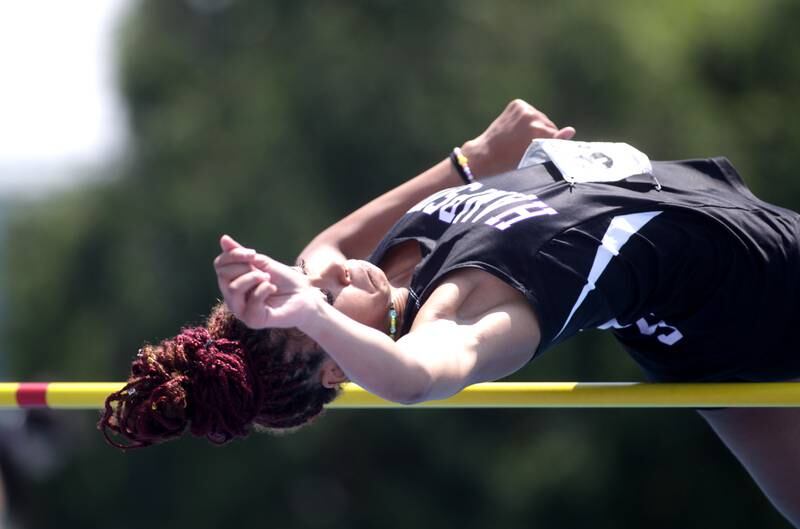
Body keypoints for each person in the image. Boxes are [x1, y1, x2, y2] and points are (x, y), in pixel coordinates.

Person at [100, 100, 800, 526]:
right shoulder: (463, 311)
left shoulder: (376, 262)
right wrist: (312, 310)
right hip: (765, 301)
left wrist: (472, 157)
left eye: (312, 284)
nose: (328, 275)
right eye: (320, 303)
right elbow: (409, 376)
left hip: (703, 308)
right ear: (338, 361)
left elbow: (324, 250)